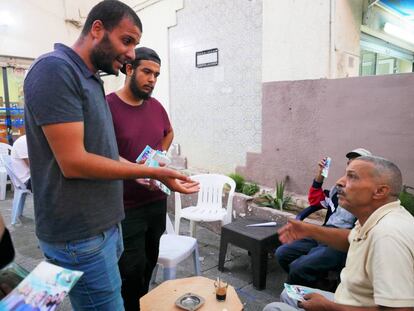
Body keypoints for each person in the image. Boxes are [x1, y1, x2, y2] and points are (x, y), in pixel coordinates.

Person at [23, 1, 198, 310]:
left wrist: (158, 174)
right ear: (97, 29)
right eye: (126, 41)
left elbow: (103, 155)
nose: (131, 53)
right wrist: (156, 173)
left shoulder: (90, 79)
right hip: (78, 237)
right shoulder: (55, 69)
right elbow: (74, 161)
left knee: (58, 300)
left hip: (103, 227)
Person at [264, 156, 414, 311]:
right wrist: (309, 229)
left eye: (352, 176)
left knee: (273, 308)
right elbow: (350, 239)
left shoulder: (388, 236)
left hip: (347, 306)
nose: (339, 182)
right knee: (289, 293)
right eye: (346, 173)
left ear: (380, 191)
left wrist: (328, 306)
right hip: (348, 299)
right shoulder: (374, 217)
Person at [106, 47, 172, 310]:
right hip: (125, 206)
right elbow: (102, 152)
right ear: (129, 69)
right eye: (147, 72)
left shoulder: (156, 107)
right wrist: (138, 170)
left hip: (156, 201)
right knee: (130, 272)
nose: (152, 79)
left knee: (148, 264)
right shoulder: (107, 106)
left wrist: (157, 156)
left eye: (156, 74)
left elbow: (169, 132)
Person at [275, 148, 371, 290]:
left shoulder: (367, 196)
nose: (350, 169)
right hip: (323, 233)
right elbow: (316, 201)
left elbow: (361, 235)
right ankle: (313, 285)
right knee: (282, 253)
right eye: (349, 165)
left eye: (356, 166)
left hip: (343, 242)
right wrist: (320, 175)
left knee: (298, 267)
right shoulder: (338, 188)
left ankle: (299, 292)